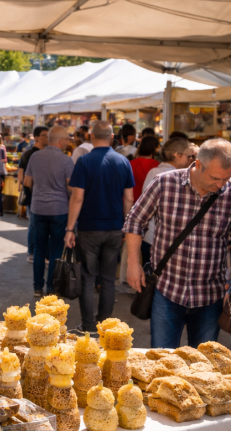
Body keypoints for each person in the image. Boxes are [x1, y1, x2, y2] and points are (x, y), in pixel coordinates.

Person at [125, 138, 231, 348]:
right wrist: (133, 264)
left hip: (210, 295)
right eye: (216, 178)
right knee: (161, 360)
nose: (221, 185)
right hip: (167, 290)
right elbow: (135, 221)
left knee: (202, 366)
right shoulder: (164, 183)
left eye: (227, 178)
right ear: (198, 164)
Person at [65, 121, 134, 333]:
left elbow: (77, 198)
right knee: (107, 279)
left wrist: (69, 228)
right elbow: (129, 199)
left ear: (92, 137)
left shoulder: (85, 161)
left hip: (89, 227)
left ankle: (88, 326)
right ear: (112, 137)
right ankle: (104, 325)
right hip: (114, 227)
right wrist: (126, 225)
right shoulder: (123, 161)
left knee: (87, 278)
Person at [24, 126, 73, 296]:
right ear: (60, 140)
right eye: (67, 139)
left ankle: (37, 287)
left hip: (38, 208)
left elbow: (27, 182)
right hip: (59, 209)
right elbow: (70, 187)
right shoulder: (66, 160)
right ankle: (51, 288)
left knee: (39, 248)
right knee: (56, 250)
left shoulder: (35, 157)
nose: (68, 142)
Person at [139, 137, 193, 264]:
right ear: (177, 155)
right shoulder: (179, 176)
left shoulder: (154, 172)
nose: (190, 159)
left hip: (150, 236)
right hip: (166, 239)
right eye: (188, 156)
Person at [18, 127, 49, 263]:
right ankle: (31, 252)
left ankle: (39, 251)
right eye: (44, 135)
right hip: (33, 195)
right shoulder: (29, 153)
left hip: (45, 194)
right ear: (36, 137)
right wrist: (30, 189)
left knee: (40, 224)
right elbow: (21, 175)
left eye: (48, 135)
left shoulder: (48, 153)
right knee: (33, 223)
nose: (47, 138)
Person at [129, 136, 160, 202]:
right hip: (147, 202)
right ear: (155, 148)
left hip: (129, 200)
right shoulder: (157, 165)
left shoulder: (130, 163)